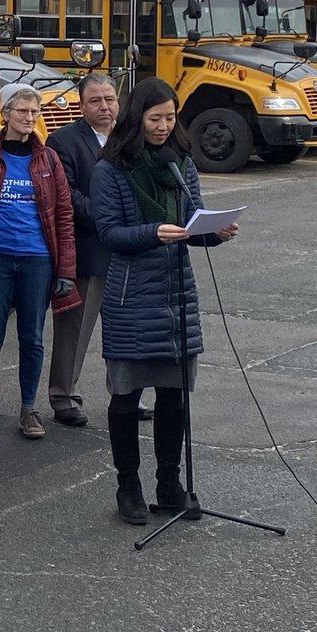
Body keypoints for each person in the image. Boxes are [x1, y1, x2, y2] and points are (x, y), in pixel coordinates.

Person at [90, 76, 239, 526]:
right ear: (136, 118)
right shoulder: (109, 169)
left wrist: (215, 232)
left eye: (170, 118)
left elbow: (192, 223)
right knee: (127, 395)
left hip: (176, 293)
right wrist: (150, 233)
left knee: (174, 396)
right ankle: (128, 485)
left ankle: (169, 483)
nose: (163, 126)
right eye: (155, 118)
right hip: (131, 293)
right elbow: (108, 232)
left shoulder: (181, 163)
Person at [0, 83, 78, 444]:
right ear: (5, 114)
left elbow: (65, 215)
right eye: (22, 111)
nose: (30, 118)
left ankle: (29, 408)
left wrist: (66, 270)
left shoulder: (49, 160)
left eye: (34, 112)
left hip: (37, 259)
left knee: (32, 338)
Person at [47, 72, 135, 427]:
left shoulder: (131, 138)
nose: (104, 106)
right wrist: (107, 218)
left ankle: (126, 394)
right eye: (95, 100)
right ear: (81, 105)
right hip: (87, 250)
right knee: (74, 330)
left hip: (128, 252)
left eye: (110, 99)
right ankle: (63, 396)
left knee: (126, 329)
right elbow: (64, 194)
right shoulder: (63, 141)